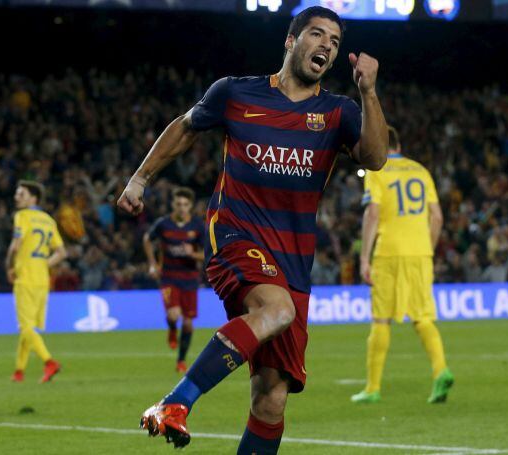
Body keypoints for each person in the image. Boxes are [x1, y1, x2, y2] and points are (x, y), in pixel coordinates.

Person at [117, 6, 388, 453]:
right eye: (316, 34)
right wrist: (141, 178)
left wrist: (370, 92)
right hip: (236, 239)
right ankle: (175, 402)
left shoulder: (338, 112)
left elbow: (375, 158)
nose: (325, 45)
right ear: (290, 40)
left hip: (294, 261)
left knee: (271, 400)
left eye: (334, 42)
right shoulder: (236, 93)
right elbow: (186, 128)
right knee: (276, 311)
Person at [352, 126, 454, 404]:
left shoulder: (377, 170)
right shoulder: (421, 171)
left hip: (389, 252)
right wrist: (427, 248)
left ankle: (372, 388)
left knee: (381, 318)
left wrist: (364, 258)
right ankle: (440, 370)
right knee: (422, 316)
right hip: (420, 253)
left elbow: (373, 212)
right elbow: (437, 217)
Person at [6, 180, 67, 383]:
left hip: (25, 278)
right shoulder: (48, 220)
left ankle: (49, 362)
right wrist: (43, 264)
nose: (17, 197)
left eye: (21, 194)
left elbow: (16, 246)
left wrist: (8, 267)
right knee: (28, 327)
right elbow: (61, 252)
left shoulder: (22, 216)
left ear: (33, 198)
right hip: (42, 279)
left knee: (25, 328)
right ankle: (19, 372)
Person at [143, 187, 204, 373]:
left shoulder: (197, 226)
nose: (182, 207)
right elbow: (147, 238)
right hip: (169, 277)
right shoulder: (163, 224)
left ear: (191, 206)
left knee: (187, 323)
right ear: (173, 204)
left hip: (190, 279)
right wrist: (153, 263)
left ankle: (181, 360)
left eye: (185, 204)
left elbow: (207, 253)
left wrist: (193, 254)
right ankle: (171, 329)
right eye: (178, 204)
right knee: (173, 315)